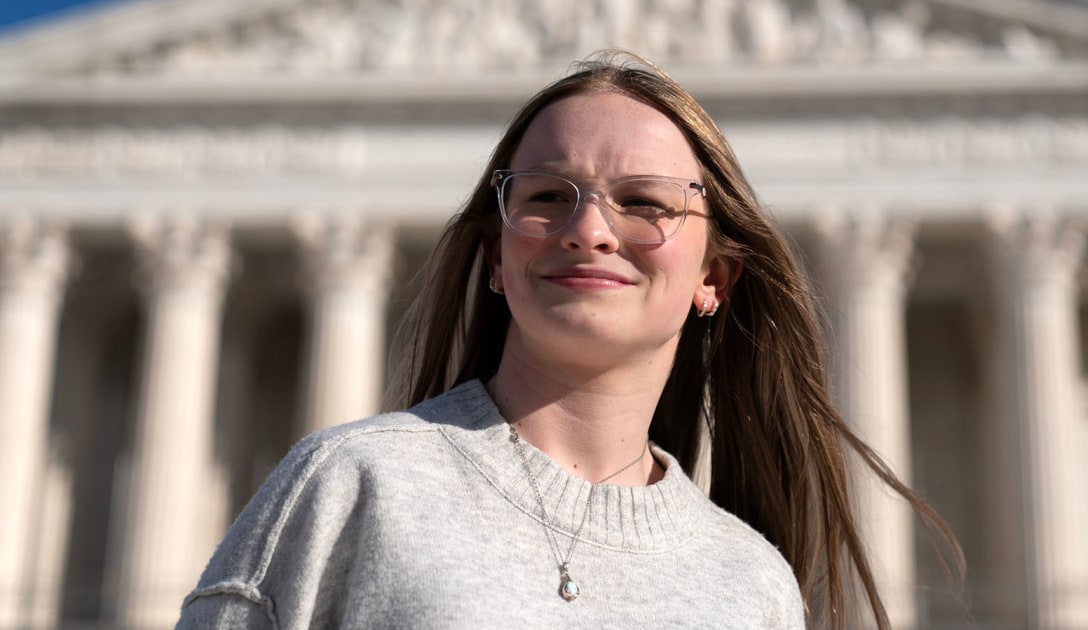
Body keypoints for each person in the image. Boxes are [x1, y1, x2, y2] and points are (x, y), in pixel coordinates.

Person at [177, 50, 962, 629]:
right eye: (549, 195)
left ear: (714, 277)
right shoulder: (352, 484)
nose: (589, 230)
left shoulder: (753, 582)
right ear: (496, 257)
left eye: (645, 203)